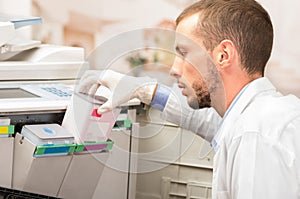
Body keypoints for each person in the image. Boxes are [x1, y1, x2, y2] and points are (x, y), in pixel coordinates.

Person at [78, 0, 300, 198]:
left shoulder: (256, 137)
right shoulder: (259, 116)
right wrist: (146, 90)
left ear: (223, 55)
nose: (173, 69)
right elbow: (209, 122)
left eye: (183, 53)